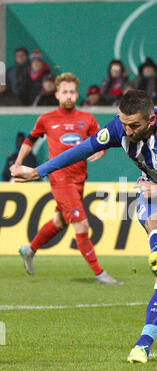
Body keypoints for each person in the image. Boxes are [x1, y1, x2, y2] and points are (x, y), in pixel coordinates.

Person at [11, 89, 157, 364]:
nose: (128, 131)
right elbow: (83, 148)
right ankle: (142, 346)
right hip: (153, 190)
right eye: (124, 124)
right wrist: (39, 171)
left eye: (135, 125)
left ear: (151, 120)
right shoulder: (119, 129)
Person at [12, 72, 122, 285]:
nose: (69, 96)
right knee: (81, 225)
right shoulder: (47, 119)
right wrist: (18, 163)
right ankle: (100, 274)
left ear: (76, 93)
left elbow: (102, 140)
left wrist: (101, 152)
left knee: (59, 222)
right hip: (60, 180)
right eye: (65, 92)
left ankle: (29, 249)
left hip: (79, 179)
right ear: (57, 94)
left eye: (72, 92)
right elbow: (30, 139)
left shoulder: (87, 119)